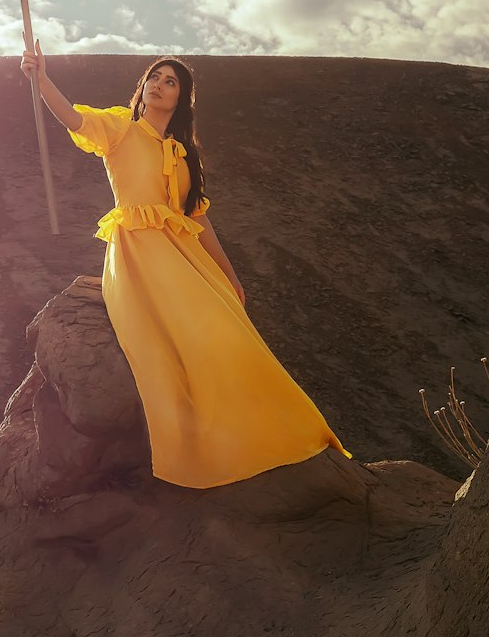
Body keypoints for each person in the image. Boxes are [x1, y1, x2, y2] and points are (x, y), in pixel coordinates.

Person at [20, 40, 351, 489]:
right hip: (138, 249)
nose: (158, 85)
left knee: (230, 329)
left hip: (185, 253)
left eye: (169, 81)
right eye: (153, 78)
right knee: (182, 336)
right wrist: (40, 78)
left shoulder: (183, 153)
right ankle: (202, 448)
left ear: (181, 97)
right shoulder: (120, 127)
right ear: (143, 88)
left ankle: (272, 431)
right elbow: (74, 119)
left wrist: (231, 277)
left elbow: (199, 219)